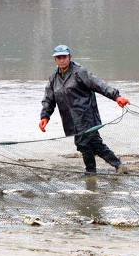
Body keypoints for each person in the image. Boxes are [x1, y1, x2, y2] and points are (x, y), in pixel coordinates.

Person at [39, 44, 131, 174]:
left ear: (69, 57)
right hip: (70, 119)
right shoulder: (53, 78)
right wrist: (45, 116)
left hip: (86, 115)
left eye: (64, 57)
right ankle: (109, 167)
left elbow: (98, 84)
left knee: (86, 143)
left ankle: (96, 170)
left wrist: (116, 97)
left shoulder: (79, 72)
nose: (61, 60)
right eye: (58, 57)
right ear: (55, 59)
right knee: (89, 144)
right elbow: (49, 99)